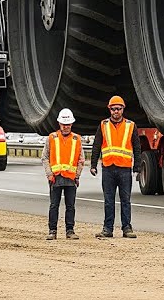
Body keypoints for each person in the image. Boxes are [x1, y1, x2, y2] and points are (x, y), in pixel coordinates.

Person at [89, 95, 143, 239]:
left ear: (123, 109)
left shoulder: (131, 125)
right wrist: (93, 164)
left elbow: (137, 147)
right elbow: (97, 146)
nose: (116, 112)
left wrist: (137, 167)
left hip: (125, 168)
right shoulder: (103, 125)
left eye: (118, 109)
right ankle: (108, 229)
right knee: (108, 200)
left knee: (126, 200)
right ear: (109, 109)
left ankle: (127, 228)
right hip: (108, 168)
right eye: (113, 109)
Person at [41, 108, 83, 240]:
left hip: (70, 179)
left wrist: (77, 176)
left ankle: (70, 231)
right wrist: (49, 174)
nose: (66, 127)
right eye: (64, 124)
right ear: (59, 124)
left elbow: (81, 159)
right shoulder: (52, 138)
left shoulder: (77, 139)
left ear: (71, 124)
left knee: (70, 206)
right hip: (55, 178)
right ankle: (52, 231)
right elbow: (45, 157)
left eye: (68, 124)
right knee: (54, 205)